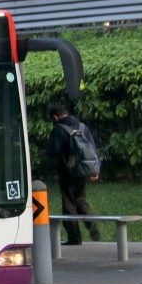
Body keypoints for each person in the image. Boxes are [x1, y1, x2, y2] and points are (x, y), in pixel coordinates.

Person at [46, 101, 100, 245]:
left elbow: (52, 152)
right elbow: (93, 148)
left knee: (68, 203)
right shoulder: (82, 126)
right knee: (80, 200)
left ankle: (74, 237)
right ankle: (91, 226)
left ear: (55, 117)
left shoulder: (58, 129)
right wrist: (95, 170)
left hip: (67, 171)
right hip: (83, 170)